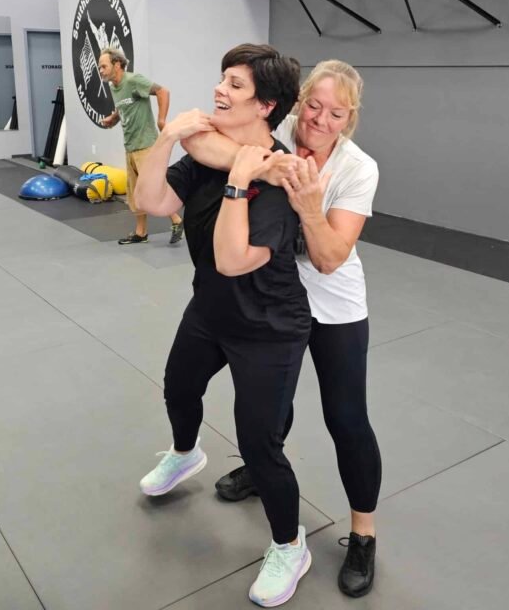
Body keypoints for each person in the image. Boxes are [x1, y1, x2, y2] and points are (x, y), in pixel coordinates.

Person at [182, 59, 381, 598]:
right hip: (271, 300)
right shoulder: (283, 132)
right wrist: (266, 167)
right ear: (297, 103)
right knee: (269, 407)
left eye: (335, 113)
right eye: (313, 105)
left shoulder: (358, 168)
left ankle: (363, 533)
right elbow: (202, 142)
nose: (319, 119)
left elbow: (331, 258)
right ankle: (261, 469)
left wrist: (309, 206)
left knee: (346, 418)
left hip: (333, 307)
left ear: (349, 118)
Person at [134, 44, 313, 607]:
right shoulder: (209, 153)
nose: (219, 91)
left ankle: (290, 544)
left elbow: (235, 259)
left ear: (266, 105)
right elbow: (149, 199)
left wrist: (239, 183)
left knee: (259, 446)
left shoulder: (280, 179)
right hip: (210, 309)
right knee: (178, 385)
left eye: (235, 85)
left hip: (269, 326)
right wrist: (164, 139)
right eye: (222, 80)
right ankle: (185, 452)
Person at [97, 47, 183, 245]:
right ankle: (141, 232)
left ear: (117, 64)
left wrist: (162, 120)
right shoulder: (114, 87)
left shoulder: (134, 80)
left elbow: (163, 91)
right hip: (130, 145)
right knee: (136, 192)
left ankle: (177, 220)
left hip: (146, 145)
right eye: (99, 67)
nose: (100, 70)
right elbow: (123, 106)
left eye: (103, 66)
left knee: (153, 188)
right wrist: (113, 118)